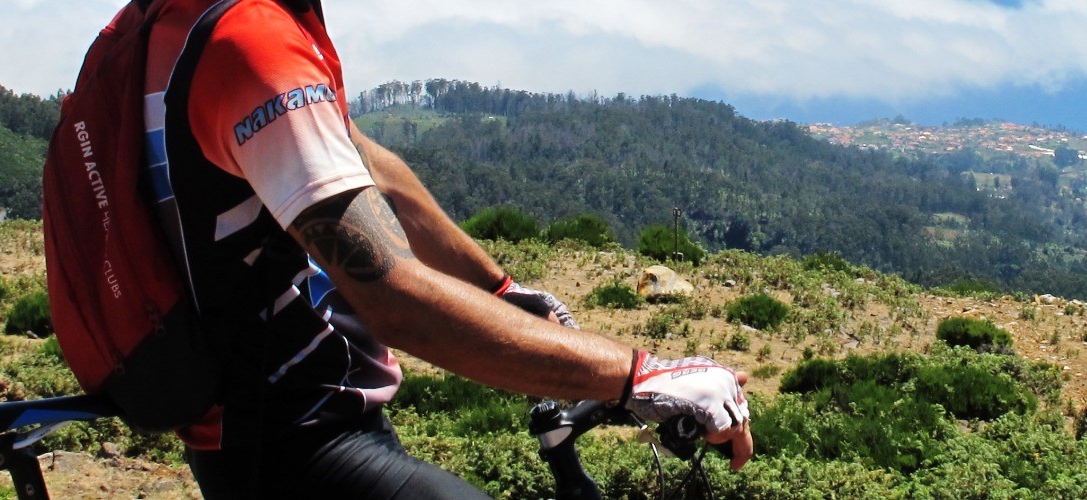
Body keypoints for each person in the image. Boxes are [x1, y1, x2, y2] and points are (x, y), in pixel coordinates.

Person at [121, 0, 753, 497]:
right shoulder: (251, 43)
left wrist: (503, 292)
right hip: (289, 438)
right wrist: (638, 377)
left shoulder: (178, 21)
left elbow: (372, 173)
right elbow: (394, 296)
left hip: (275, 425)